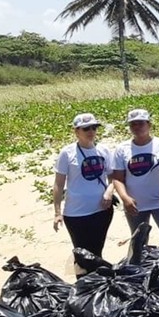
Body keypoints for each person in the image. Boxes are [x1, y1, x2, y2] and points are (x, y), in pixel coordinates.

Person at [52, 113, 115, 266]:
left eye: (94, 127)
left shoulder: (104, 150)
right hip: (76, 214)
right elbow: (59, 184)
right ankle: (83, 286)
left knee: (97, 252)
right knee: (81, 254)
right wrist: (57, 212)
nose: (91, 131)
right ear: (76, 131)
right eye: (86, 128)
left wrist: (109, 192)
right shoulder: (67, 153)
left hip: (102, 210)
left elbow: (113, 178)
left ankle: (97, 285)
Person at [112, 109, 159, 248]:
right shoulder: (121, 149)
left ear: (149, 125)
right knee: (139, 242)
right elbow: (118, 178)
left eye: (140, 123)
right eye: (133, 124)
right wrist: (125, 198)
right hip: (135, 204)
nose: (137, 127)